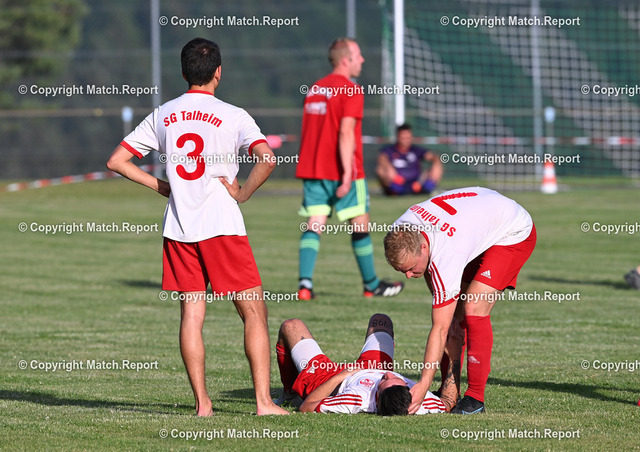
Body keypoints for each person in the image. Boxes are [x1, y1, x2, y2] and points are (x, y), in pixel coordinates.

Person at [106, 37, 288, 416]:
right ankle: (263, 402)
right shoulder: (234, 115)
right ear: (218, 72)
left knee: (191, 315)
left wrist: (162, 187)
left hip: (179, 228)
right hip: (222, 226)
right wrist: (242, 193)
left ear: (183, 72)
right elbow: (268, 159)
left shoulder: (163, 114)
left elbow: (117, 161)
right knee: (253, 313)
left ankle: (203, 404)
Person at [383, 187, 537, 415]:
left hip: (512, 230)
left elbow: (440, 328)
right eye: (401, 270)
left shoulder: (447, 254)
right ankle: (450, 389)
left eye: (411, 268)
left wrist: (424, 383)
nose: (407, 276)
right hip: (477, 218)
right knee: (455, 313)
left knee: (473, 306)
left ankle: (475, 398)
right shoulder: (401, 231)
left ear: (424, 248)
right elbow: (447, 316)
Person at [295, 37, 404, 300]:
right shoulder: (351, 90)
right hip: (344, 169)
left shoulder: (315, 89)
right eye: (358, 55)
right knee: (360, 223)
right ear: (346, 60)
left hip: (313, 168)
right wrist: (347, 173)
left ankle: (305, 285)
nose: (362, 60)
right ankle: (371, 285)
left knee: (315, 223)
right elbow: (345, 133)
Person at [274, 313, 463, 415]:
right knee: (380, 320)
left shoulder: (357, 399)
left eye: (383, 381)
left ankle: (289, 394)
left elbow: (306, 407)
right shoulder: (418, 401)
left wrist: (342, 375)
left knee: (291, 326)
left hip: (332, 379)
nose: (389, 374)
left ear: (376, 399)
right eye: (398, 379)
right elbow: (447, 403)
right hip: (372, 366)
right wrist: (455, 353)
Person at [376, 124, 444, 196]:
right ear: (398, 137)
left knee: (437, 163)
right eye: (403, 137)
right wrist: (393, 174)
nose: (406, 140)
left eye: (408, 137)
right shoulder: (389, 150)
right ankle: (393, 192)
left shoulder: (416, 150)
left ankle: (429, 188)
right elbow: (382, 159)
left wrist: (435, 160)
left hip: (417, 184)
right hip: (398, 184)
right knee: (380, 169)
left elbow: (433, 157)